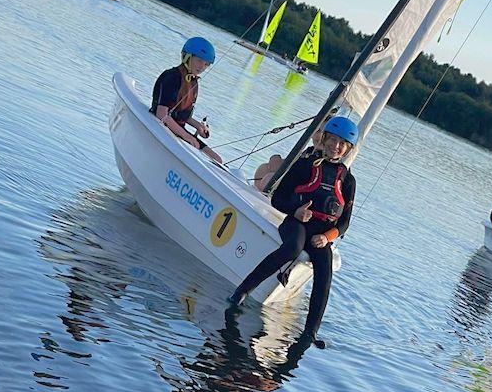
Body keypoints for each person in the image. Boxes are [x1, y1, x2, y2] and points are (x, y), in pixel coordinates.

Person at [227, 116, 359, 349]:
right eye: (332, 140)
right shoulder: (305, 163)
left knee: (325, 270)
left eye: (341, 144)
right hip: (296, 224)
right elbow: (278, 198)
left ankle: (310, 332)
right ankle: (241, 292)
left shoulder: (348, 181)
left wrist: (327, 237)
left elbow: (345, 222)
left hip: (320, 234)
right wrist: (296, 212)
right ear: (325, 138)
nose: (335, 146)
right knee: (292, 248)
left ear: (348, 149)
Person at [151, 37, 223, 163]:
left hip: (178, 129)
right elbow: (161, 115)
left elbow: (183, 115)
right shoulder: (172, 77)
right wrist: (186, 136)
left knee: (217, 160)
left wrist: (199, 127)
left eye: (206, 64)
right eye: (199, 61)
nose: (202, 67)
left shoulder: (193, 81)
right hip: (162, 128)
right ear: (187, 57)